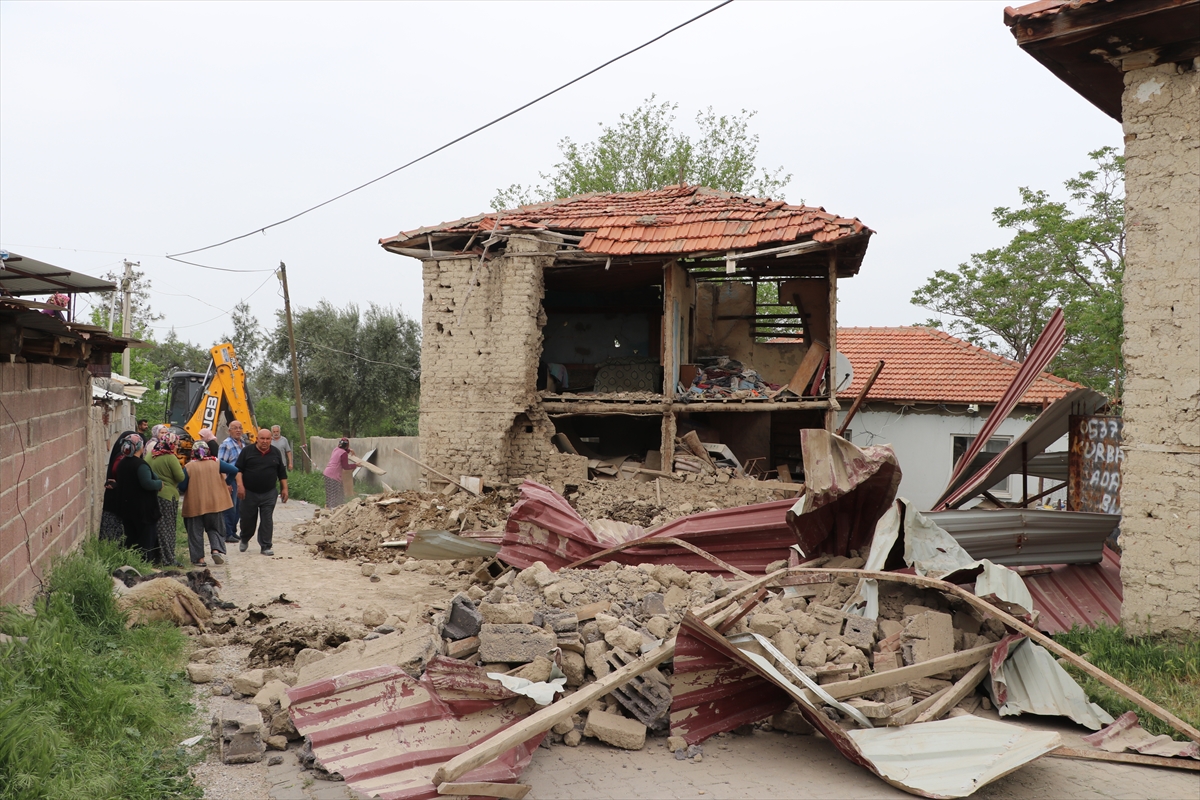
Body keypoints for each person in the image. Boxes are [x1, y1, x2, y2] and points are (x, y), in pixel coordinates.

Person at [182, 441, 238, 566]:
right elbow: (234, 469)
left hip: (195, 504)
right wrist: (226, 482)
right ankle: (216, 550)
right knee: (215, 528)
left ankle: (199, 559)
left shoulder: (189, 466)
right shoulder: (216, 463)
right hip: (214, 504)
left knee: (195, 532)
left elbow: (182, 486)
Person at [235, 428, 288, 556]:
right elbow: (238, 470)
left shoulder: (275, 452)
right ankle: (245, 537)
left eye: (268, 439)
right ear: (257, 439)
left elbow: (281, 473)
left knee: (267, 519)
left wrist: (284, 489)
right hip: (249, 492)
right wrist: (240, 486)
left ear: (271, 440)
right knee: (248, 520)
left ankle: (265, 545)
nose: (265, 441)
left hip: (269, 492)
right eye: (262, 438)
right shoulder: (247, 451)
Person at [113, 434, 162, 562]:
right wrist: (159, 484)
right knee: (145, 540)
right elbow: (147, 483)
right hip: (143, 510)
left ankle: (131, 562)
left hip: (126, 508)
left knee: (131, 538)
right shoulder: (140, 465)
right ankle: (144, 563)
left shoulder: (122, 463)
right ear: (140, 447)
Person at [146, 431, 187, 567]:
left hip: (152, 495)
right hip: (167, 495)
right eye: (175, 444)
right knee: (167, 528)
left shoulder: (150, 455)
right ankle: (168, 558)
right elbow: (180, 477)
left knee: (155, 527)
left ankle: (155, 557)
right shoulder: (170, 457)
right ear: (170, 444)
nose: (176, 447)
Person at [99, 430, 137, 541]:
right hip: (116, 499)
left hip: (114, 497)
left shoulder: (119, 456)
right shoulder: (121, 458)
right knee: (114, 532)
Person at [218, 421, 246, 544]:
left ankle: (233, 531)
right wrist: (226, 482)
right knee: (230, 507)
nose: (238, 430)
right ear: (229, 431)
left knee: (239, 508)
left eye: (240, 428)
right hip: (231, 479)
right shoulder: (226, 444)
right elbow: (221, 464)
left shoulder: (243, 444)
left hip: (242, 479)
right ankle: (227, 533)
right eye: (235, 428)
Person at [322, 438, 353, 508]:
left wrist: (349, 450)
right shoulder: (344, 453)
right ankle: (332, 511)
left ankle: (334, 508)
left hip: (327, 473)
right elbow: (346, 466)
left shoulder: (336, 449)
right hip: (333, 476)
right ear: (347, 445)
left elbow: (343, 451)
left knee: (334, 494)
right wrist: (356, 465)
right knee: (334, 496)